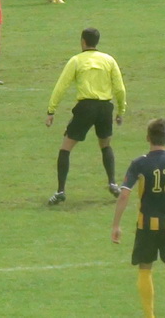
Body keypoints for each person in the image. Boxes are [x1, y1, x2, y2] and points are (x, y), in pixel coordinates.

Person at [111, 119, 165, 318]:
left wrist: (116, 225)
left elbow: (124, 194)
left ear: (148, 138)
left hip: (146, 226)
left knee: (145, 268)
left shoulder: (140, 163)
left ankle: (149, 316)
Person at [45, 27, 126, 205]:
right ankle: (112, 183)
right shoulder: (109, 60)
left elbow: (61, 86)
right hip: (105, 107)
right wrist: (121, 111)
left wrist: (51, 111)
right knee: (105, 145)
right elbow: (120, 88)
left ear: (83, 41)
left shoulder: (76, 61)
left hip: (86, 107)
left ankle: (60, 191)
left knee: (66, 148)